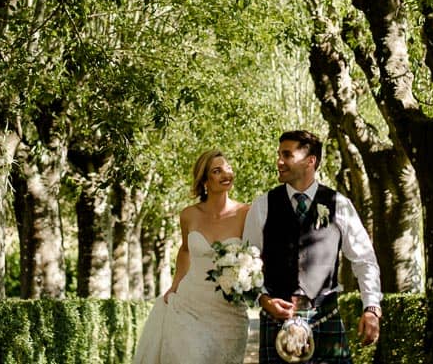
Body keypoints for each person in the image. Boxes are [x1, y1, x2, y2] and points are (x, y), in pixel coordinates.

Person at [243, 130, 382, 364]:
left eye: (287, 155)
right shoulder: (262, 205)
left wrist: (371, 308)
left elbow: (364, 260)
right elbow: (247, 265)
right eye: (279, 155)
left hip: (323, 316)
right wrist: (264, 300)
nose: (279, 161)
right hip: (276, 320)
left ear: (311, 161)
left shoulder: (339, 204)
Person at [132, 149, 251, 364]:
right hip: (190, 305)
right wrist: (175, 285)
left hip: (229, 312)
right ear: (204, 180)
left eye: (228, 168)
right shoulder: (188, 215)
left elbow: (256, 255)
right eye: (217, 171)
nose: (226, 174)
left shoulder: (246, 213)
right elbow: (185, 250)